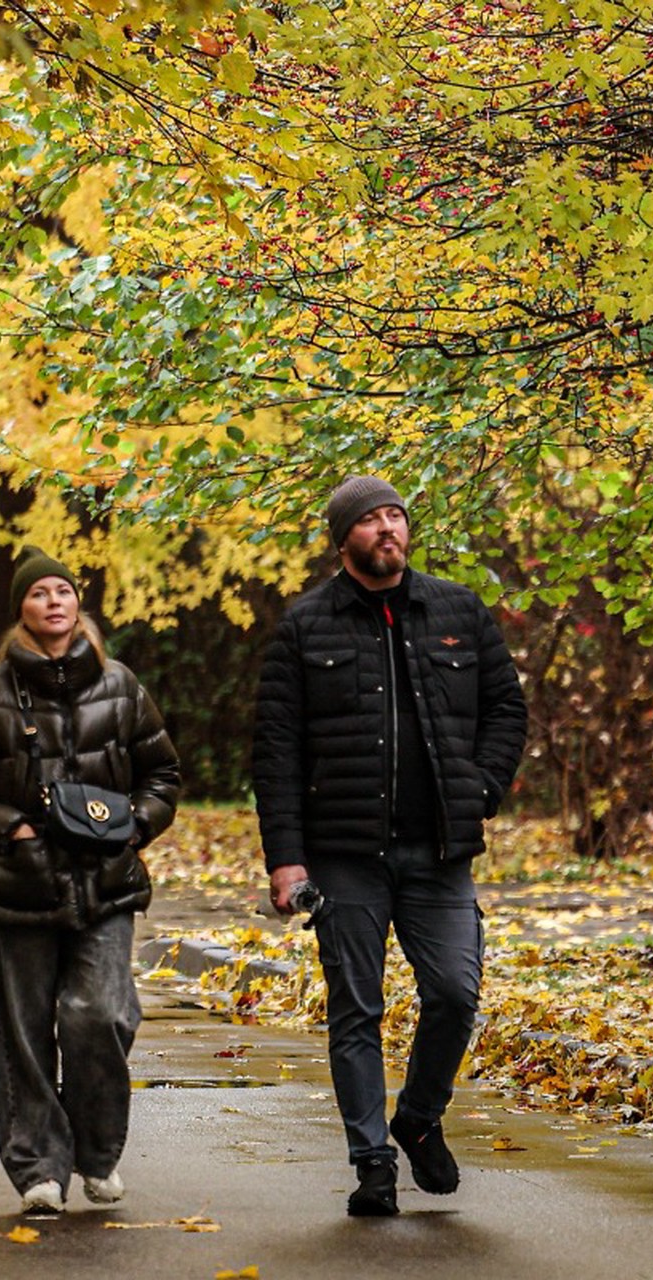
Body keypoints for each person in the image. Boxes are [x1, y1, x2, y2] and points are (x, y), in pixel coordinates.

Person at [252, 476, 527, 1217]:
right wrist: (286, 859)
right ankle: (372, 1162)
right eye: (371, 519)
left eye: (396, 515)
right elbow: (276, 751)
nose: (388, 528)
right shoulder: (306, 626)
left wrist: (481, 788)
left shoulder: (457, 610)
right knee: (356, 1009)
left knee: (455, 994)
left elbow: (506, 707)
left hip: (439, 851)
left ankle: (419, 1117)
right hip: (344, 856)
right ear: (344, 539)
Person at [0, 546, 181, 1216]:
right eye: (39, 593)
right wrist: (10, 828)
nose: (53, 602)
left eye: (62, 591)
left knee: (100, 1014)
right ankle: (39, 1167)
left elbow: (163, 774)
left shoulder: (121, 686)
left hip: (107, 883)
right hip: (20, 886)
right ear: (22, 609)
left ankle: (95, 1151)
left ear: (78, 603)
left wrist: (136, 826)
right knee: (24, 1036)